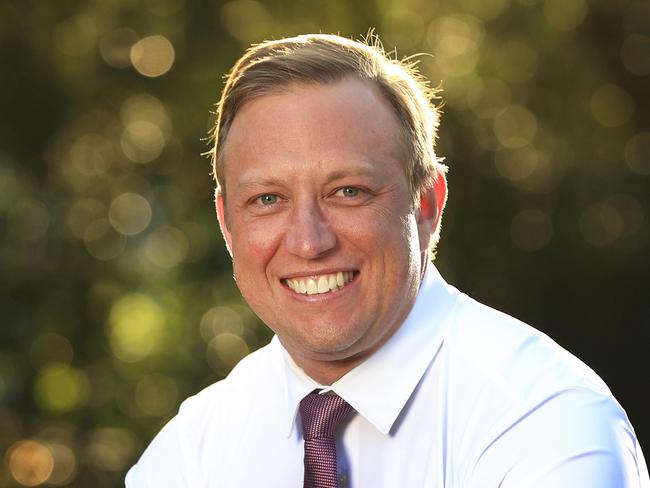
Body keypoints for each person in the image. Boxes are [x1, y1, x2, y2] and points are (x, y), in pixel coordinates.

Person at [125, 33, 649, 487]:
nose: (309, 242)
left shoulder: (547, 424)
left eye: (348, 191)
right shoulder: (191, 452)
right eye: (267, 199)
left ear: (426, 204)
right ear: (226, 223)